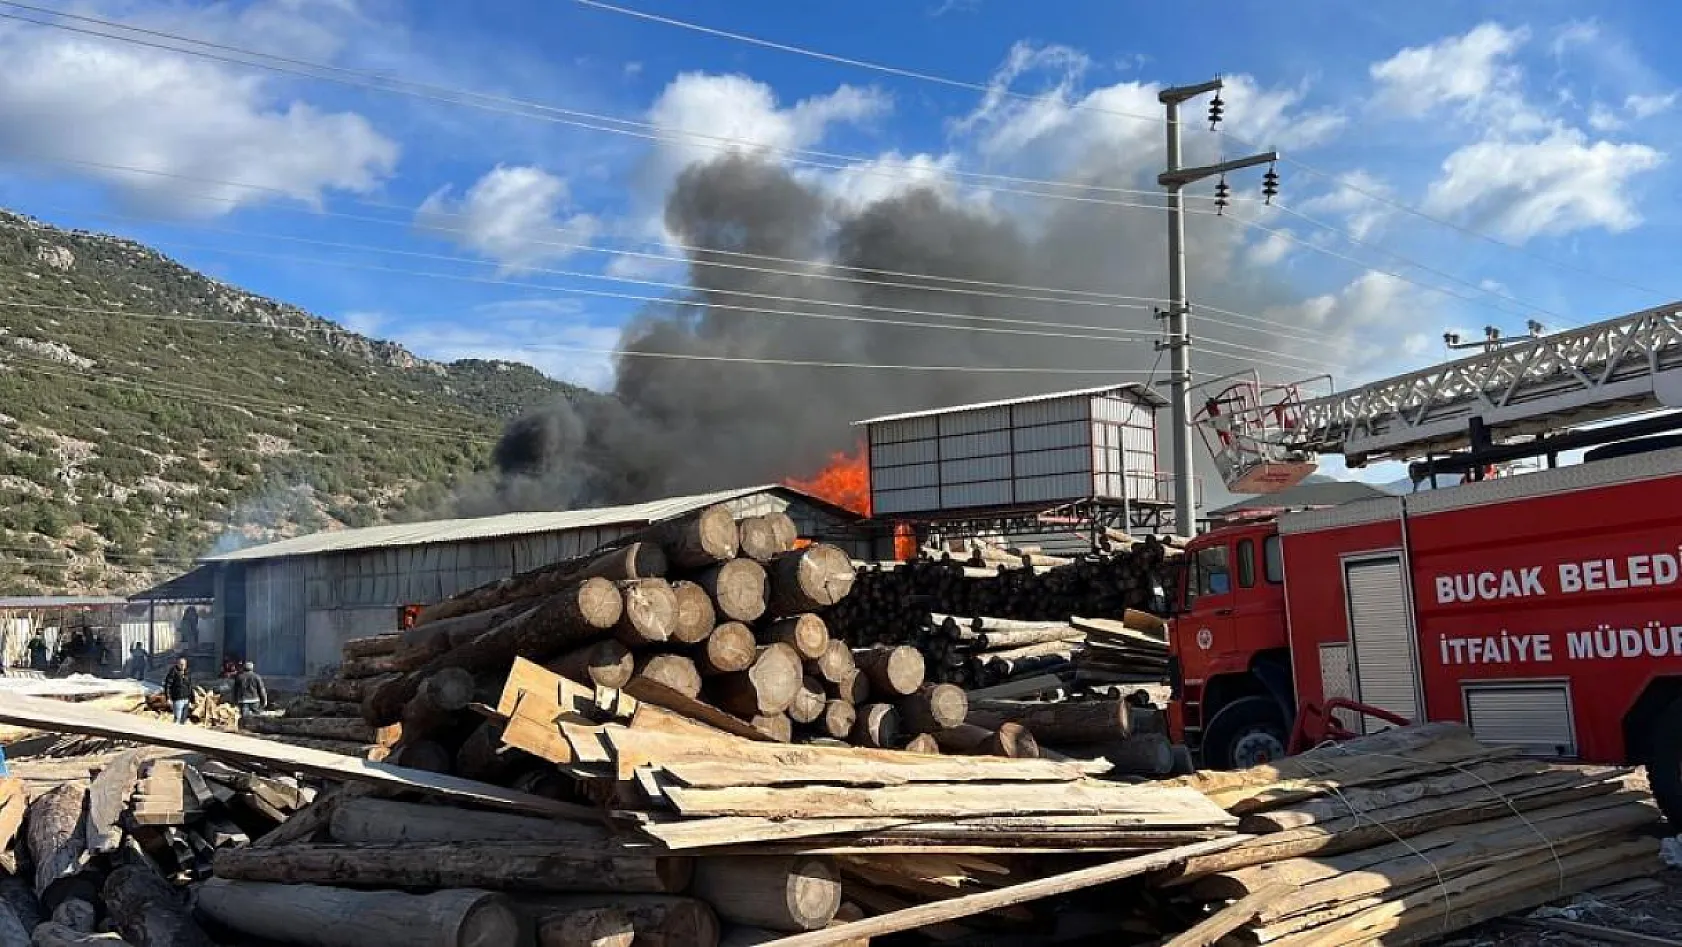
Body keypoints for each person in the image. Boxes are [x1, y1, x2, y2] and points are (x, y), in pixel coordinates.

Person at [163, 657, 193, 724]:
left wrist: (191, 700)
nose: (183, 666)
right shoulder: (173, 672)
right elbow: (167, 685)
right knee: (177, 719)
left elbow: (190, 687)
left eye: (184, 664)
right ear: (177, 664)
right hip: (178, 699)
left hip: (186, 700)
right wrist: (168, 698)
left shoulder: (187, 673)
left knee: (183, 721)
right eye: (181, 664)